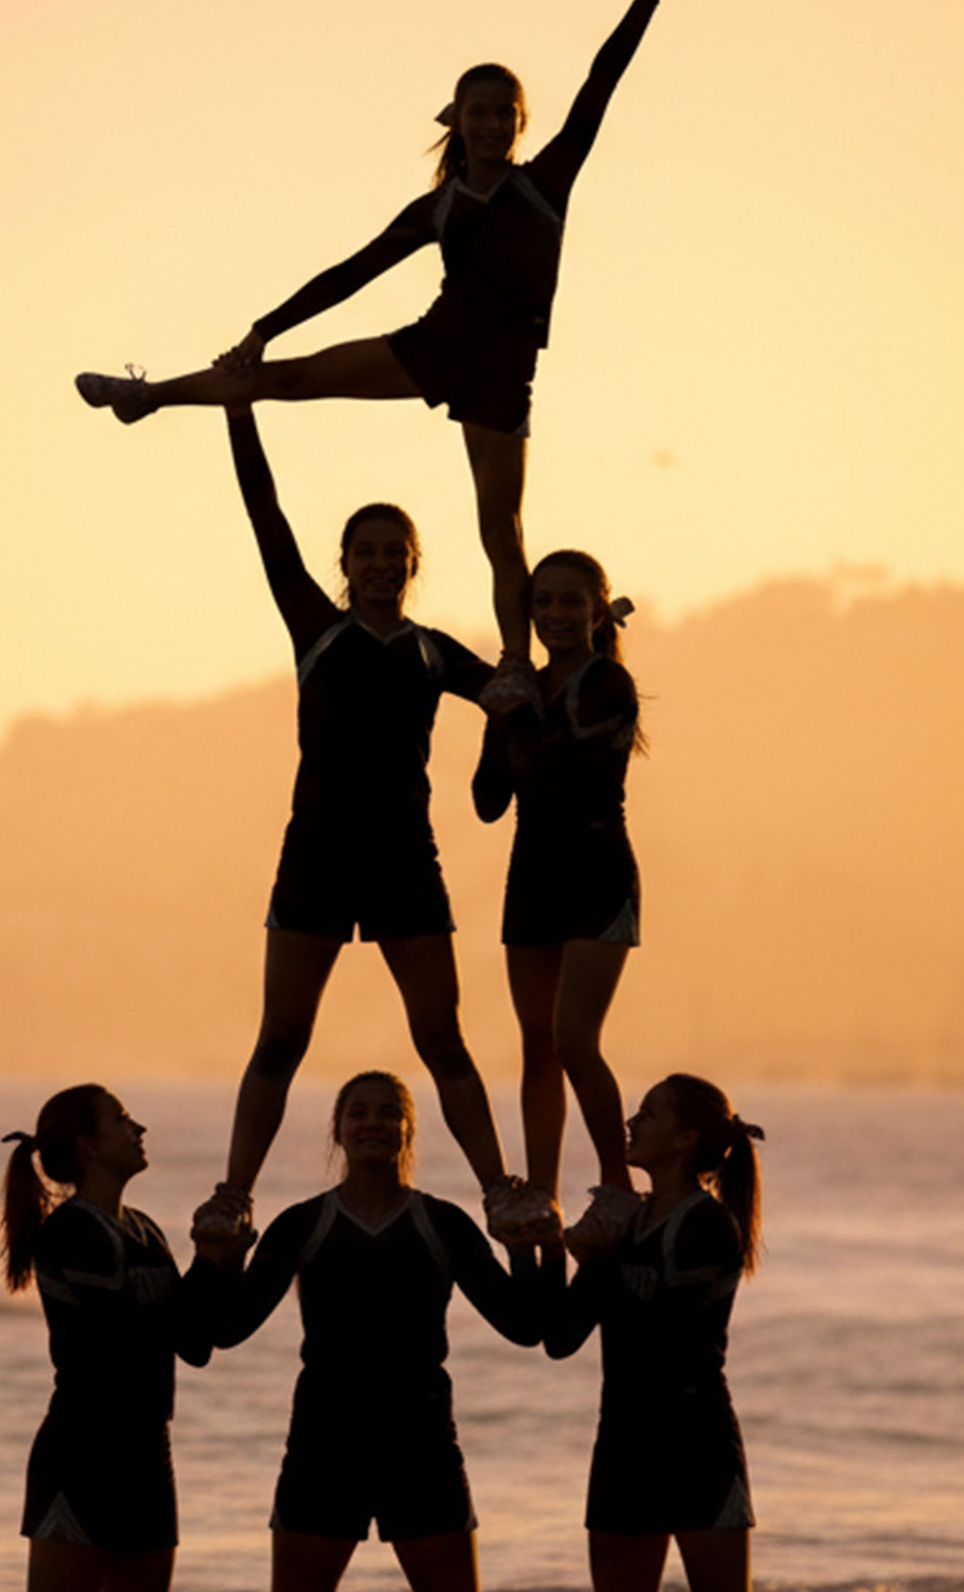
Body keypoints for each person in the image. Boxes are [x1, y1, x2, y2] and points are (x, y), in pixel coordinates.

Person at [77, 0, 688, 698]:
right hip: (435, 344)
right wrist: (267, 326)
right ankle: (146, 397)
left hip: (501, 372)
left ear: (521, 121)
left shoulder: (546, 184)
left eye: (507, 113)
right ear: (458, 122)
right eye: (480, 113)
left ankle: (512, 665)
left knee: (501, 531)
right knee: (284, 379)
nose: (494, 124)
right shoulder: (438, 207)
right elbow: (350, 272)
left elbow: (602, 83)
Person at [194, 405, 552, 1249]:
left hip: (404, 862)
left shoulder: (432, 652)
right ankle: (232, 1196)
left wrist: (520, 704)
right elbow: (264, 512)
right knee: (280, 1036)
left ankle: (499, 1189)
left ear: (413, 564)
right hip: (315, 855)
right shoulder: (316, 630)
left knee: (442, 1037)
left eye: (397, 553)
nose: (383, 563)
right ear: (345, 564)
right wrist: (239, 409)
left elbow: (519, 701)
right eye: (368, 552)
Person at [190, 1071, 557, 1592]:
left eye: (388, 1112)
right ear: (337, 1131)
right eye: (357, 1112)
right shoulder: (301, 1223)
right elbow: (226, 1330)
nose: (373, 1123)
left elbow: (524, 1327)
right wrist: (221, 1258)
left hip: (422, 1443)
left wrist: (525, 1247)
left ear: (408, 1130)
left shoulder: (442, 1222)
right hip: (323, 1442)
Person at [474, 548, 646, 1253]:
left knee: (576, 1039)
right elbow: (489, 801)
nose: (556, 615)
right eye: (543, 602)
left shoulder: (608, 682)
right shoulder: (527, 688)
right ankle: (541, 1191)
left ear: (598, 609)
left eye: (571, 602)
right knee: (538, 1046)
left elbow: (570, 776)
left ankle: (616, 1189)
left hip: (598, 870)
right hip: (532, 874)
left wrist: (516, 713)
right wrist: (496, 712)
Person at [541, 1074, 765, 1592]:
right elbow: (560, 1337)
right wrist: (548, 1248)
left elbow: (667, 1329)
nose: (631, 1123)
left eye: (648, 1114)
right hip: (622, 1443)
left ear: (685, 1139)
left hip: (696, 1443)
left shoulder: (708, 1225)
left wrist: (596, 1255)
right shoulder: (626, 1223)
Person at [0, 1084, 211, 1592]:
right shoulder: (69, 1233)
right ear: (87, 1145)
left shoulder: (146, 1231)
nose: (137, 1129)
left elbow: (196, 1343)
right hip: (83, 1456)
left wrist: (219, 1257)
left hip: (149, 1457)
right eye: (121, 1119)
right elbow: (122, 1339)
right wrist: (205, 1270)